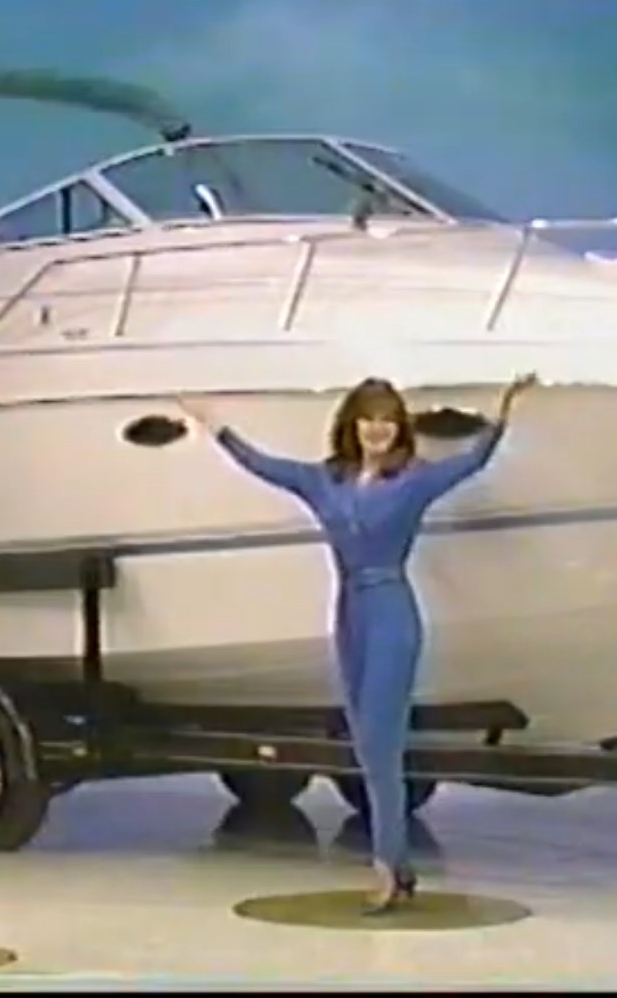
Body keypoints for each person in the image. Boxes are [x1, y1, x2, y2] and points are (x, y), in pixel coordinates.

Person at [177, 372, 538, 913]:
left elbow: (473, 461)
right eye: (369, 419)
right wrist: (215, 426)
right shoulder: (326, 480)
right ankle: (398, 867)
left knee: (380, 745)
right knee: (364, 745)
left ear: (399, 429)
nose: (378, 430)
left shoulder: (414, 479)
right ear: (352, 424)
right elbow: (265, 466)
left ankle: (388, 866)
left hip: (391, 611)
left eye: (388, 421)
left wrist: (504, 409)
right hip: (349, 614)